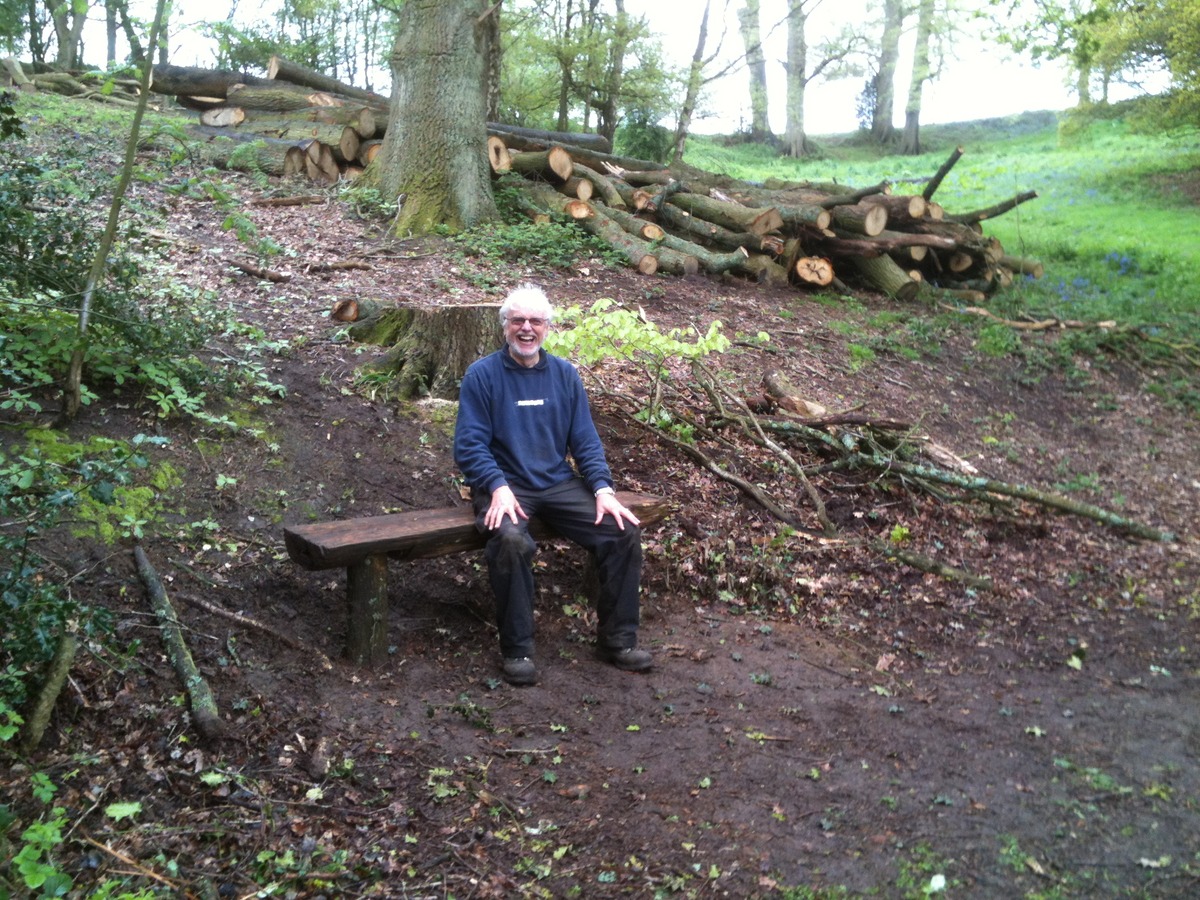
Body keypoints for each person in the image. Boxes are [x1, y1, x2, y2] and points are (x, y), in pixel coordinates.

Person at [453, 284, 652, 685]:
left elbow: (585, 440)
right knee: (510, 542)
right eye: (518, 321)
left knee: (622, 531)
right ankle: (518, 649)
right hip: (504, 487)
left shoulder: (564, 375)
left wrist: (603, 489)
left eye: (535, 321)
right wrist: (495, 485)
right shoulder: (482, 375)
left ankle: (618, 640)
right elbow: (469, 444)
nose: (527, 328)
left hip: (557, 484)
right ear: (504, 326)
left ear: (548, 327)